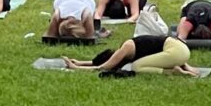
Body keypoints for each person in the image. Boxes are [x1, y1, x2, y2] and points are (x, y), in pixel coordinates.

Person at [63, 34, 200, 76]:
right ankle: (182, 68)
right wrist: (80, 62)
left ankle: (171, 72)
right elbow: (101, 63)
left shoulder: (126, 48)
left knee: (136, 66)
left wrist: (76, 68)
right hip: (181, 50)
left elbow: (103, 67)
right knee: (146, 61)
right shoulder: (130, 44)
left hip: (175, 53)